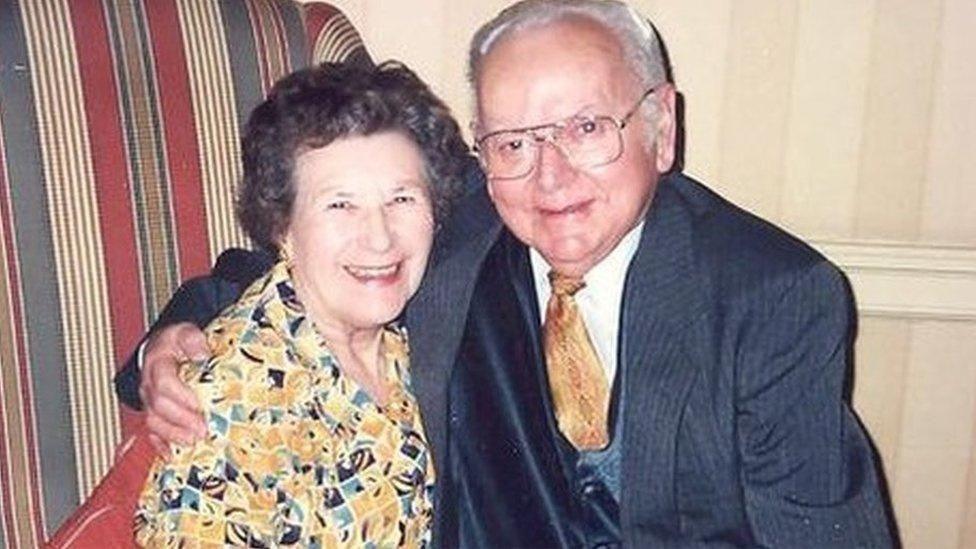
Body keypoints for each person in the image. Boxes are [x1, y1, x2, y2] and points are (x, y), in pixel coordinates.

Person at [117, 1, 894, 546]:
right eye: (514, 141)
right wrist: (167, 347)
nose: (548, 178)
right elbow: (286, 262)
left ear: (662, 128)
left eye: (587, 128)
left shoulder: (770, 297)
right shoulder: (449, 221)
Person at [131, 60, 468, 547]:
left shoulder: (406, 339)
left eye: (402, 199)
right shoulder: (228, 402)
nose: (380, 238)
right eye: (340, 204)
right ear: (281, 226)